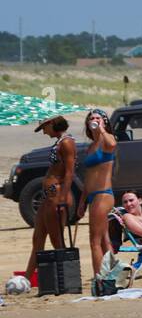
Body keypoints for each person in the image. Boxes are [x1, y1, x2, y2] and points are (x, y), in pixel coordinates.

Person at [24, 115, 77, 283]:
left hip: (57, 193)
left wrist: (63, 197)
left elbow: (69, 172)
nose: (44, 132)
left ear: (52, 124)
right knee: (38, 238)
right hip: (49, 194)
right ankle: (27, 279)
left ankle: (66, 278)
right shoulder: (60, 142)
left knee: (56, 239)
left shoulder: (67, 142)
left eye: (44, 128)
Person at [78, 109, 117, 277]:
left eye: (98, 118)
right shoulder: (90, 147)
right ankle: (113, 274)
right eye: (91, 118)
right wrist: (82, 202)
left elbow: (113, 144)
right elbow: (88, 179)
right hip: (93, 196)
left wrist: (102, 129)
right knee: (104, 239)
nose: (94, 120)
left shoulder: (106, 141)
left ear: (104, 121)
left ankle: (99, 278)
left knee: (94, 241)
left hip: (103, 194)